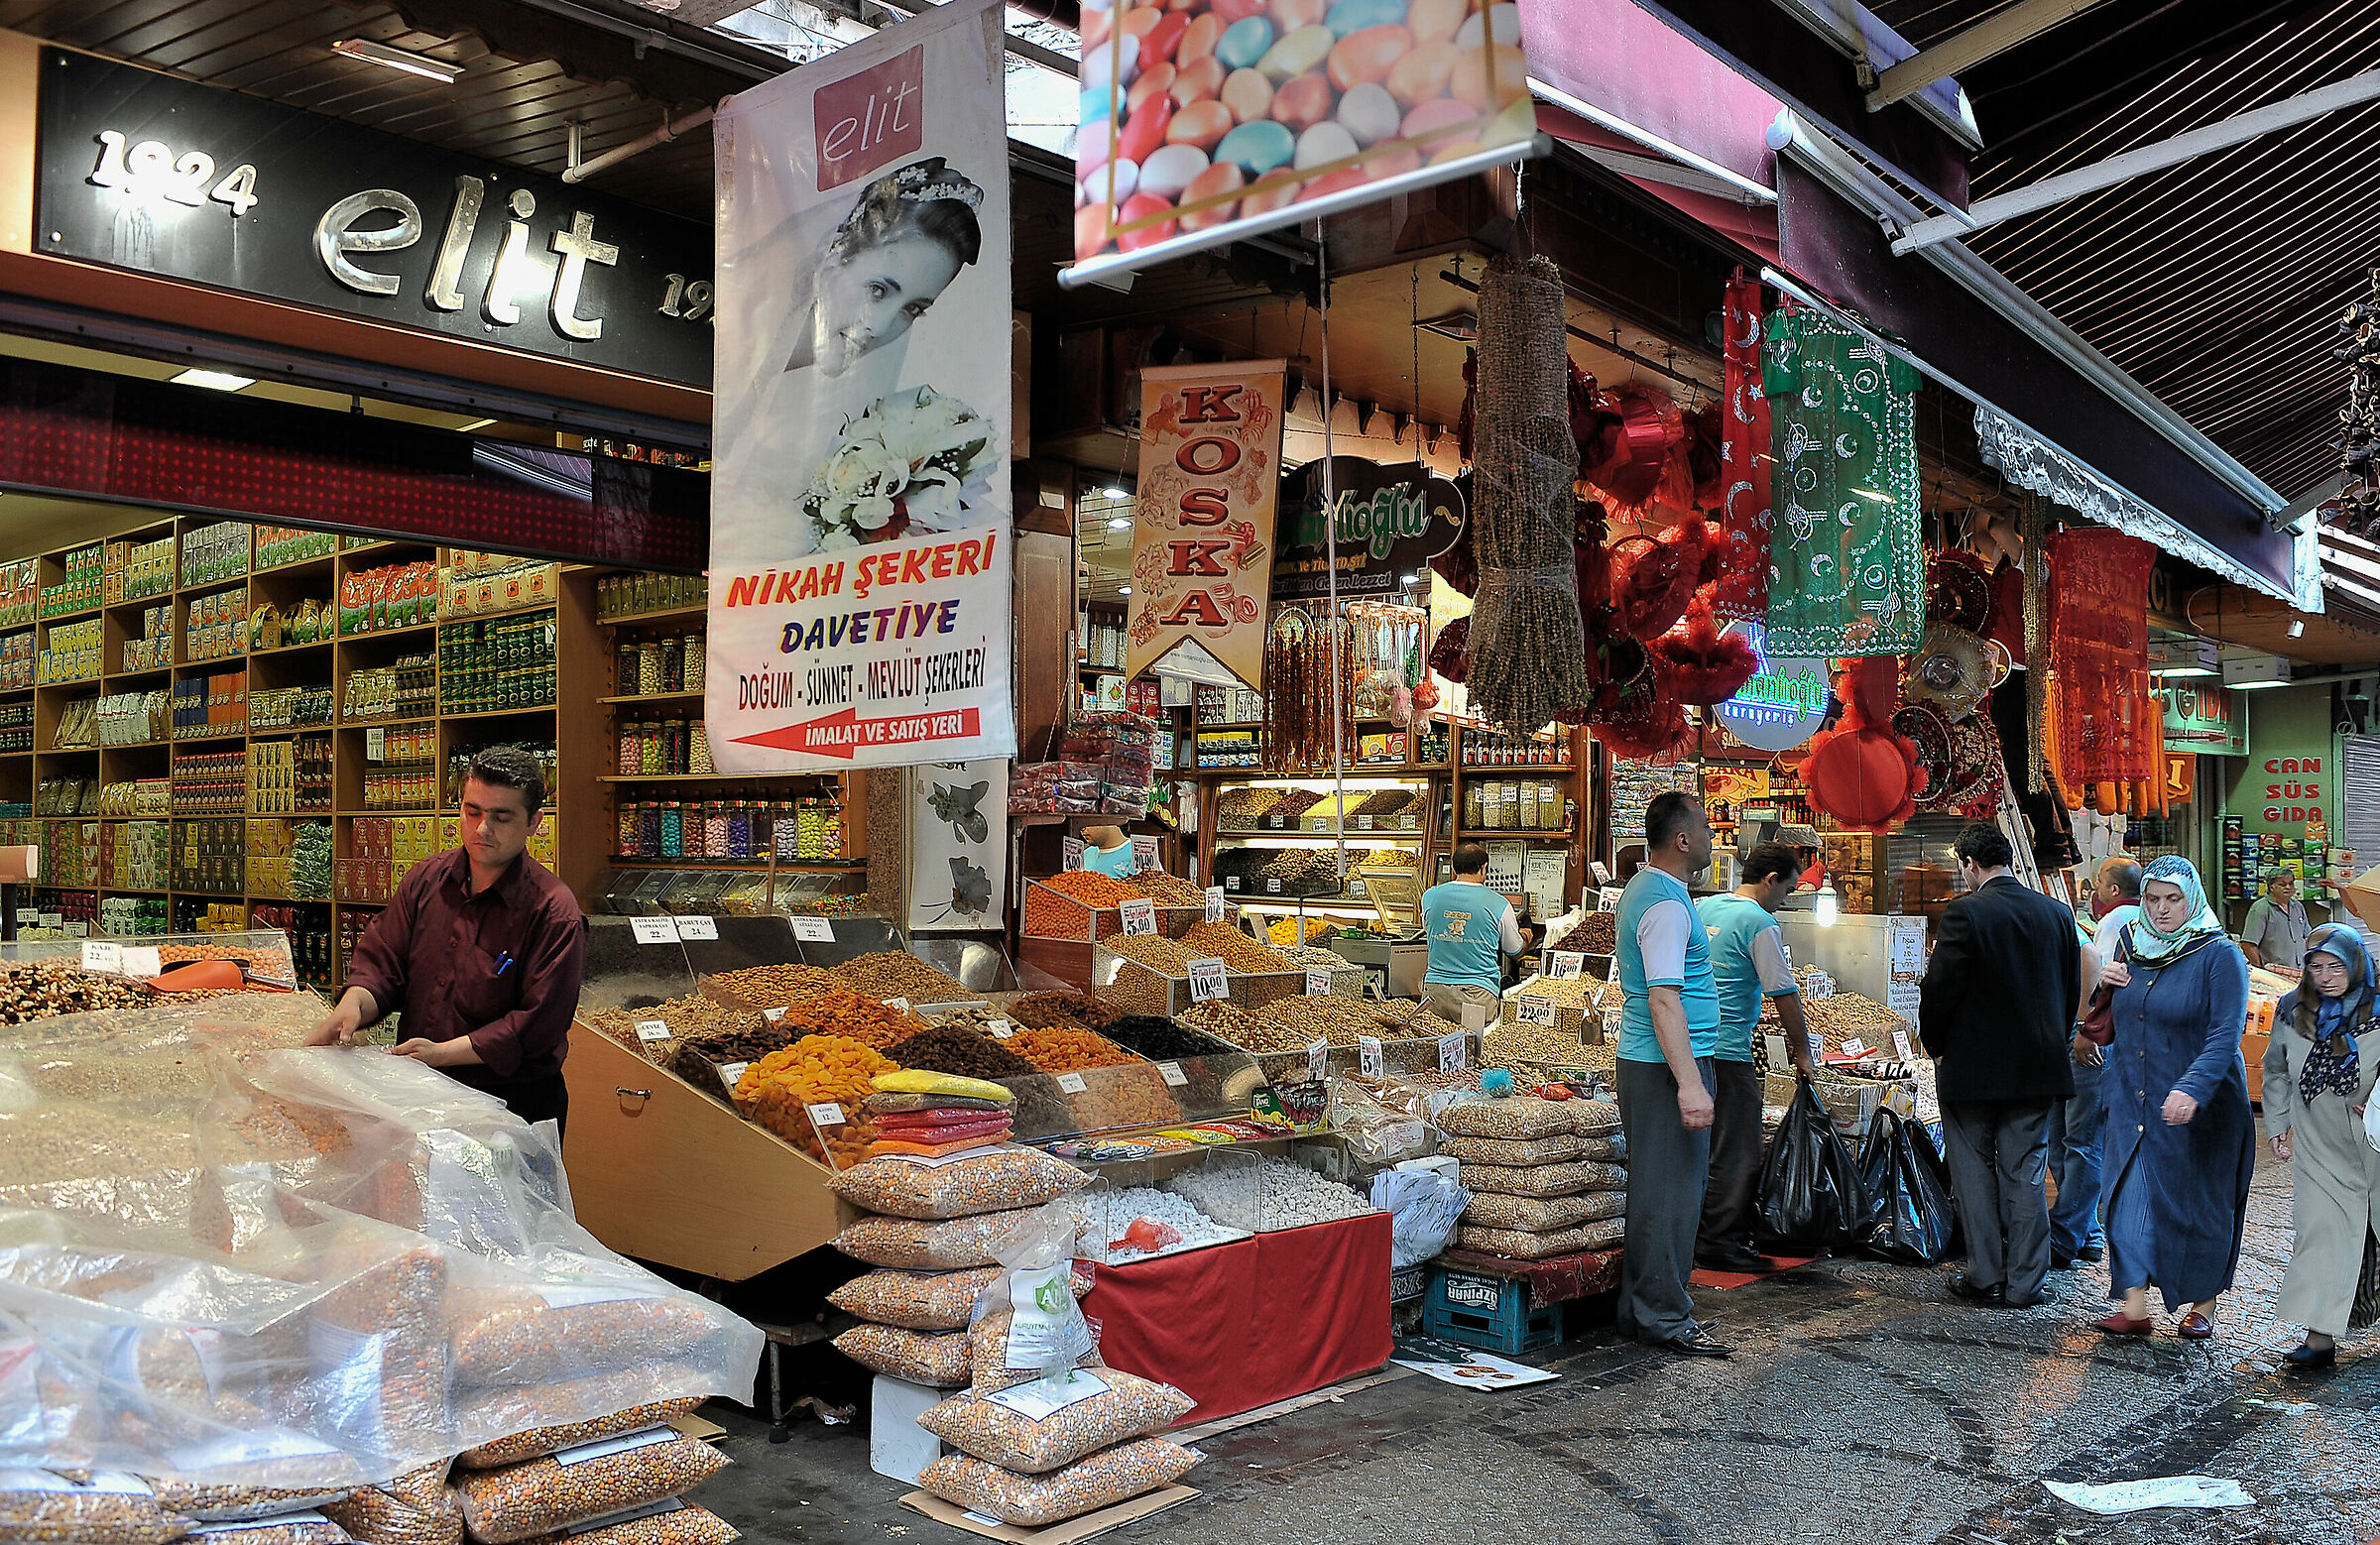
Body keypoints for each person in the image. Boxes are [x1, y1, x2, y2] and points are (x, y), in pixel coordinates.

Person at [305, 747, 587, 1135]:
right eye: (473, 811)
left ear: (534, 822)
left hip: (511, 1110)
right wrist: (353, 1005)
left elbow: (537, 1026)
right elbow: (385, 960)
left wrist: (441, 1054)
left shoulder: (553, 911)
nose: (483, 828)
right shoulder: (427, 881)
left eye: (501, 816)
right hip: (420, 1093)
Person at [1917, 822, 2082, 1309]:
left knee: (1973, 1172)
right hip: (2038, 1068)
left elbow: (1940, 990)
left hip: (1973, 1069)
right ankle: (2027, 1283)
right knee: (2025, 1171)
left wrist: (1935, 1045)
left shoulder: (1965, 913)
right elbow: (2069, 991)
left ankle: (1986, 1274)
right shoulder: (2056, 913)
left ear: (1969, 864)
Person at [2093, 856, 2255, 1341]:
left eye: (2173, 899)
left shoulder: (2219, 955)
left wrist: (2192, 1088)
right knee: (2127, 1202)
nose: (2161, 909)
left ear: (2193, 899)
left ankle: (2203, 1304)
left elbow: (2226, 1035)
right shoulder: (2131, 945)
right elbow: (2112, 1020)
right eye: (2152, 898)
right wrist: (2104, 986)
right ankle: (2135, 1306)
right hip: (2135, 1099)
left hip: (2199, 1109)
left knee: (2200, 1207)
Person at [1613, 790, 1728, 1357]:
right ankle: (1661, 1315)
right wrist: (1689, 1083)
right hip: (1663, 1067)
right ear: (1683, 840)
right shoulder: (1662, 903)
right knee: (1668, 1193)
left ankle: (1646, 1307)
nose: (1711, 836)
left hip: (1661, 1063)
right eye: (1705, 828)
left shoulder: (1659, 892)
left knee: (1666, 1188)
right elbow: (1663, 999)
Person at [1695, 841, 1816, 1273]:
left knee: (1700, 1147)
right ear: (1770, 880)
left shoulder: (1705, 909)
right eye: (1787, 890)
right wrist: (1801, 1051)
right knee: (1737, 1147)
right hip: (1728, 1049)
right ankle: (1718, 1241)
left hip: (1690, 1046)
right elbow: (1783, 991)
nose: (1785, 900)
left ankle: (1695, 1232)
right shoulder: (1760, 922)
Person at [2263, 923, 2380, 1369]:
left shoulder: (2378, 1009)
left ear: (2355, 965)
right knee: (2320, 1232)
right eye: (2316, 966)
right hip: (2319, 1141)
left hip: (2374, 1142)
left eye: (2335, 966)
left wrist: (2376, 1099)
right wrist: (2277, 1121)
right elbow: (2275, 1068)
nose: (2326, 976)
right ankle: (2319, 1337)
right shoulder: (2293, 1010)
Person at [784, 158, 984, 380]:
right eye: (876, 290)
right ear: (833, 261)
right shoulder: (745, 346)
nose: (879, 328)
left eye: (912, 309)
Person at [2051, 856, 2141, 1268]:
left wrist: (2086, 1029)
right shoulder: (2140, 921)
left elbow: (2095, 968)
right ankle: (2087, 1232)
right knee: (2071, 1139)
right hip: (2099, 1041)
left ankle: (2067, 1233)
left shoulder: (2117, 920)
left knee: (2080, 1141)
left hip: (2091, 1041)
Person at [1419, 843, 1530, 1023]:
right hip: (1477, 996)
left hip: (1434, 994)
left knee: (1436, 1047)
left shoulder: (1430, 897)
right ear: (1483, 868)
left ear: (1454, 867)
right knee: (1476, 1050)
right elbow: (1515, 950)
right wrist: (1526, 937)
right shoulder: (1498, 904)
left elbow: (1429, 928)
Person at [2242, 870, 2314, 970]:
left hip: (2300, 970)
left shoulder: (2297, 906)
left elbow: (2307, 937)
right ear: (2271, 887)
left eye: (2291, 883)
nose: (2288, 887)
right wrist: (2260, 968)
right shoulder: (2260, 908)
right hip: (2274, 973)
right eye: (2282, 884)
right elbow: (2248, 944)